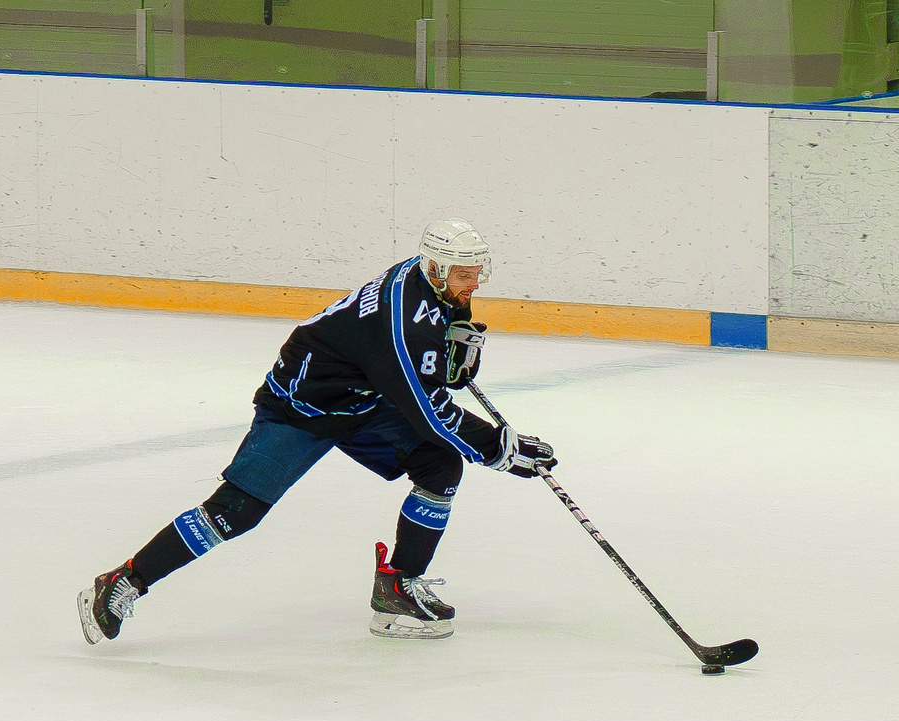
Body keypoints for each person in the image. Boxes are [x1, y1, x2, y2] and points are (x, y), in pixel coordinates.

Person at [80, 218, 556, 644]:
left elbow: (430, 375)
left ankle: (398, 586)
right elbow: (427, 408)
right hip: (303, 406)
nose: (473, 284)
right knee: (236, 512)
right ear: (435, 269)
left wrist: (449, 360)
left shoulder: (430, 282)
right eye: (464, 275)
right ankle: (124, 579)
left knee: (439, 463)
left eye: (477, 274)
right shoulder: (399, 321)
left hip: (363, 397)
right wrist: (500, 449)